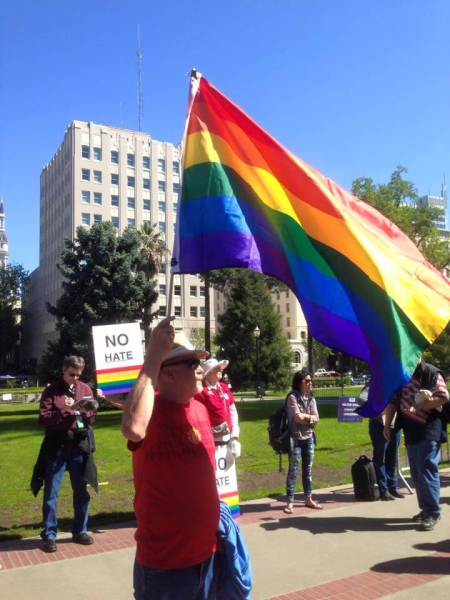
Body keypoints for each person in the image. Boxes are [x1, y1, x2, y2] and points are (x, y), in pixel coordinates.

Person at [121, 318, 220, 600]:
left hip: (207, 556)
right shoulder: (149, 411)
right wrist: (154, 355)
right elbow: (133, 428)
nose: (200, 369)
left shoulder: (199, 408)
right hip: (166, 569)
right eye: (191, 364)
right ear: (166, 374)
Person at [33, 355, 98, 553]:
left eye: (79, 375)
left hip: (78, 446)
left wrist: (90, 410)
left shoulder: (85, 389)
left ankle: (80, 531)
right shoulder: (52, 390)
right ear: (64, 370)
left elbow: (91, 418)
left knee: (82, 492)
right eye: (72, 374)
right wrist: (65, 411)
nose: (76, 378)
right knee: (52, 493)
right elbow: (43, 419)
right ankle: (50, 535)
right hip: (57, 448)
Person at [383, 360, 449, 531]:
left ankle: (433, 512)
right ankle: (426, 509)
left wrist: (419, 405)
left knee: (427, 468)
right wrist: (388, 424)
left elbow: (443, 396)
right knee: (417, 472)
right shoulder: (402, 375)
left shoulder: (431, 373)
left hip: (429, 428)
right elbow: (393, 401)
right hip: (410, 429)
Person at [284, 369, 321, 514]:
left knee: (308, 470)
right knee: (293, 470)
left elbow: (316, 417)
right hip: (295, 438)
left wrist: (308, 418)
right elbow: (297, 417)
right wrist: (309, 418)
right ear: (300, 383)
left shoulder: (311, 398)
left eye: (311, 380)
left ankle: (308, 498)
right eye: (307, 381)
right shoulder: (292, 397)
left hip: (309, 438)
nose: (310, 383)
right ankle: (290, 502)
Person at [196, 358, 241, 457]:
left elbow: (233, 412)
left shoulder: (224, 388)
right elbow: (198, 419)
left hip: (228, 441)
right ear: (208, 373)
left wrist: (235, 437)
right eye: (217, 368)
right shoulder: (201, 392)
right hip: (211, 443)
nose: (221, 370)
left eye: (220, 368)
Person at [369, 409, 403, 501]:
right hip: (379, 425)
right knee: (380, 458)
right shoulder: (372, 393)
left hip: (395, 425)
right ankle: (383, 490)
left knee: (393, 458)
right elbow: (362, 400)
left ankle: (392, 488)